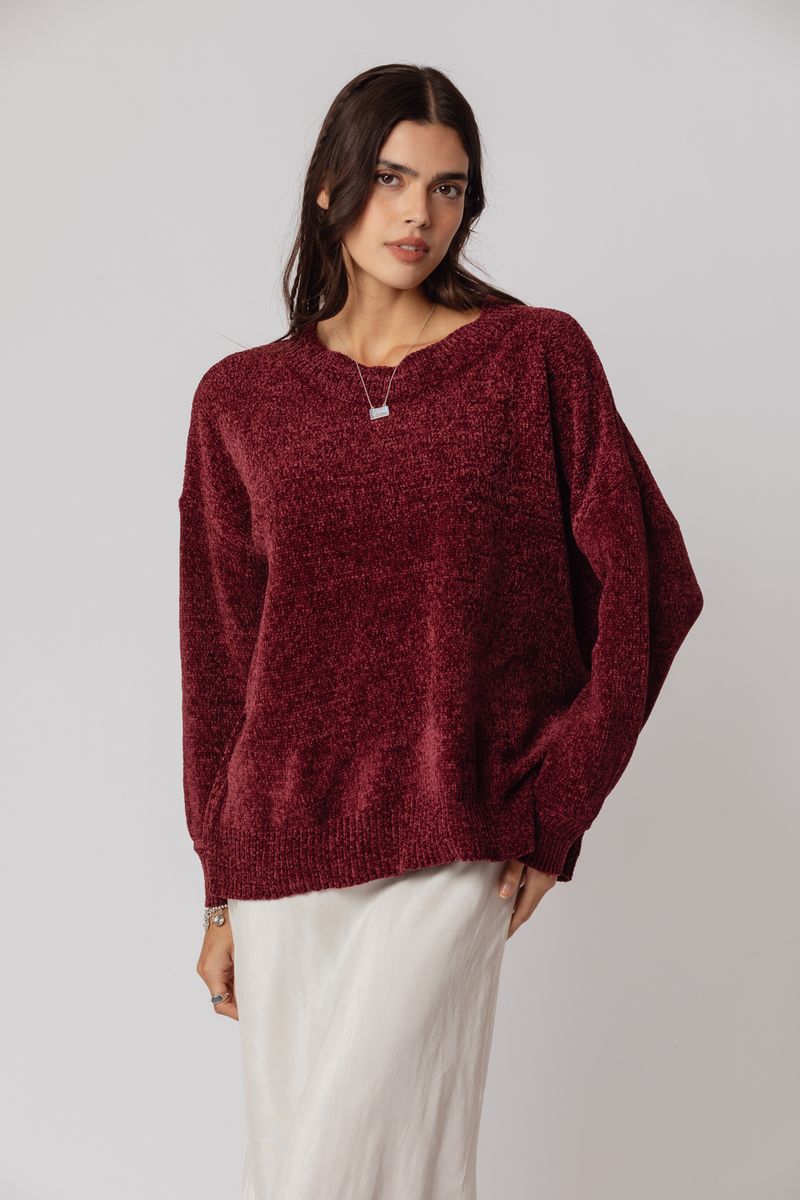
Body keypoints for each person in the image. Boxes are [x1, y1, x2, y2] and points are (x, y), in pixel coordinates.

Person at [177, 63, 704, 1200]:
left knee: (336, 1171)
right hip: (280, 848)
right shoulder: (239, 399)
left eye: (448, 187)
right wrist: (218, 885)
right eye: (389, 179)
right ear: (330, 188)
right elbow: (220, 656)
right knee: (326, 1170)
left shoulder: (534, 360)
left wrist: (556, 807)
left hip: (454, 826)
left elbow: (654, 587)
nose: (418, 213)